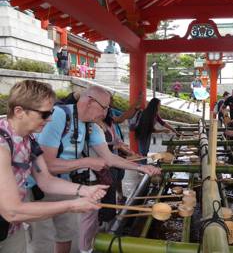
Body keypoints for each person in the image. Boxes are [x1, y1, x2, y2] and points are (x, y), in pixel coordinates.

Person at [28, 86, 161, 253]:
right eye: (104, 108)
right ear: (90, 101)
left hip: (65, 184)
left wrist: (142, 167)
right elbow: (47, 166)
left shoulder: (92, 126)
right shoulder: (58, 116)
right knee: (44, 240)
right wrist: (86, 162)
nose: (105, 114)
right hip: (40, 188)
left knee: (66, 234)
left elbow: (109, 158)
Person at [0, 80, 107, 253]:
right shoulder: (2, 145)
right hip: (10, 218)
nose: (49, 119)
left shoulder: (29, 139)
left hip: (11, 229)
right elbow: (12, 211)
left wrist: (84, 190)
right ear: (19, 111)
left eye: (50, 112)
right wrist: (72, 205)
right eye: (44, 114)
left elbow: (46, 181)